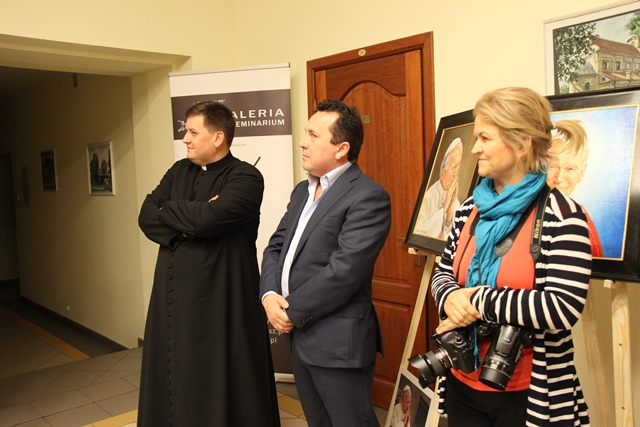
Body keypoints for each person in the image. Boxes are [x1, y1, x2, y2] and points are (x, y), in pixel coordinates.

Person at [430, 87, 591, 426]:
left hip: (530, 394)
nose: (475, 148)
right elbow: (442, 272)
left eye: (485, 138)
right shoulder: (469, 210)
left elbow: (562, 307)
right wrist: (451, 297)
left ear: (521, 144)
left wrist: (477, 301)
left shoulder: (563, 216)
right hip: (463, 383)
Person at [137, 101, 280, 427]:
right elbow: (146, 217)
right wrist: (191, 218)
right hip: (174, 301)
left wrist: (170, 211)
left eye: (192, 132)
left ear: (218, 138)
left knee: (224, 376)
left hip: (222, 301)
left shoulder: (246, 177)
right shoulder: (178, 171)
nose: (185, 138)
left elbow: (210, 219)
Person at [260, 99, 391, 427]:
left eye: (313, 135)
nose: (303, 142)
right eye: (305, 133)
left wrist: (289, 311)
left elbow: (343, 272)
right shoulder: (302, 191)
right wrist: (269, 294)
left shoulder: (367, 196)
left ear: (341, 149)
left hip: (336, 342)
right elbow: (276, 247)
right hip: (300, 338)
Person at [547, 119, 603, 257]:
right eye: (553, 166)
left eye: (570, 169)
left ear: (581, 173)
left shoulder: (580, 218)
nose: (559, 178)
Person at [414, 137, 463, 239]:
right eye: (453, 168)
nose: (455, 174)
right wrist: (443, 209)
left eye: (457, 168)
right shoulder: (428, 197)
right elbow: (420, 234)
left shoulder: (456, 202)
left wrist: (449, 212)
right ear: (442, 173)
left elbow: (454, 238)